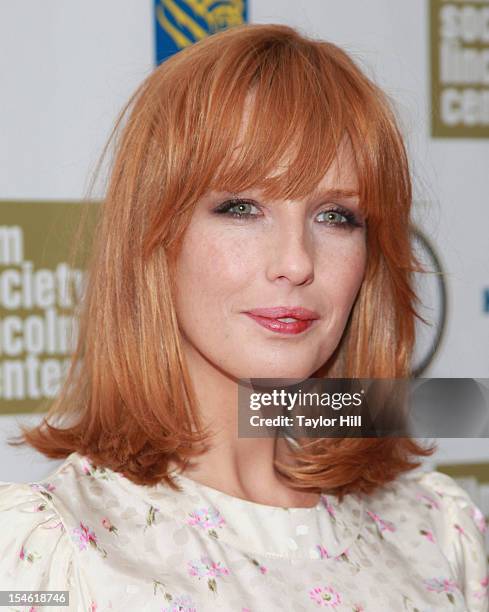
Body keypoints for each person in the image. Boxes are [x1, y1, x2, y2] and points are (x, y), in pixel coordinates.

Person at [0, 22, 487, 612]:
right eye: (241, 207)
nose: (295, 262)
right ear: (155, 238)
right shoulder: (51, 553)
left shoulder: (440, 532)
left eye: (335, 216)